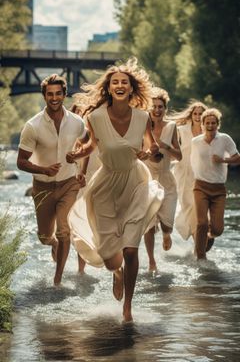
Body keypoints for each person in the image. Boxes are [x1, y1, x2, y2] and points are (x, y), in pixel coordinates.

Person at [66, 57, 164, 322]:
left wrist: (150, 153)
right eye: (115, 82)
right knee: (112, 259)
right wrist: (76, 155)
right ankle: (117, 273)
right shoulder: (95, 117)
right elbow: (91, 147)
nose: (120, 85)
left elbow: (152, 148)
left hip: (135, 183)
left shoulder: (143, 117)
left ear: (131, 89)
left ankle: (128, 308)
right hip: (106, 186)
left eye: (124, 82)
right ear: (109, 89)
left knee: (131, 249)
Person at [17, 74, 89, 285]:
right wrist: (43, 169)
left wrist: (81, 168)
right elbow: (21, 161)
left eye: (58, 93)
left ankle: (57, 278)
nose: (54, 98)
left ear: (64, 94)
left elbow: (87, 145)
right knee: (44, 236)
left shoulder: (77, 122)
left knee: (64, 229)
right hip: (43, 187)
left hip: (69, 183)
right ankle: (54, 244)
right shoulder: (33, 126)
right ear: (44, 96)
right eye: (50, 94)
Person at [190, 108, 240, 260]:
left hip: (219, 189)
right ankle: (200, 257)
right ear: (203, 125)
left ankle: (209, 237)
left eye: (213, 123)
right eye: (207, 123)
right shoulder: (196, 142)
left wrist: (223, 160)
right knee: (202, 223)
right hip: (200, 186)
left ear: (218, 124)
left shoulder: (224, 139)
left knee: (217, 229)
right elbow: (192, 162)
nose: (210, 125)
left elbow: (237, 157)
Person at [144, 87, 182, 272]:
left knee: (167, 224)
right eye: (154, 106)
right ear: (149, 108)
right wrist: (148, 156)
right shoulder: (142, 125)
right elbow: (135, 153)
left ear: (165, 108)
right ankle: (151, 261)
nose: (157, 110)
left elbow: (179, 156)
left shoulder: (171, 127)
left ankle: (167, 234)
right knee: (149, 224)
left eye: (161, 106)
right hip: (147, 179)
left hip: (167, 179)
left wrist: (167, 147)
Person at [69, 93, 101, 274]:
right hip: (74, 184)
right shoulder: (71, 136)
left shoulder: (96, 136)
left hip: (95, 183)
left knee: (89, 224)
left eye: (85, 113)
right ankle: (79, 267)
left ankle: (87, 265)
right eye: (78, 113)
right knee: (74, 226)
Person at [171, 101, 208, 241]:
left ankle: (199, 240)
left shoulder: (208, 131)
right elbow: (173, 149)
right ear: (191, 115)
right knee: (188, 205)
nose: (198, 116)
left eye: (201, 114)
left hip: (201, 175)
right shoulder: (181, 131)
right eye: (195, 114)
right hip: (183, 174)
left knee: (199, 208)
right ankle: (196, 239)